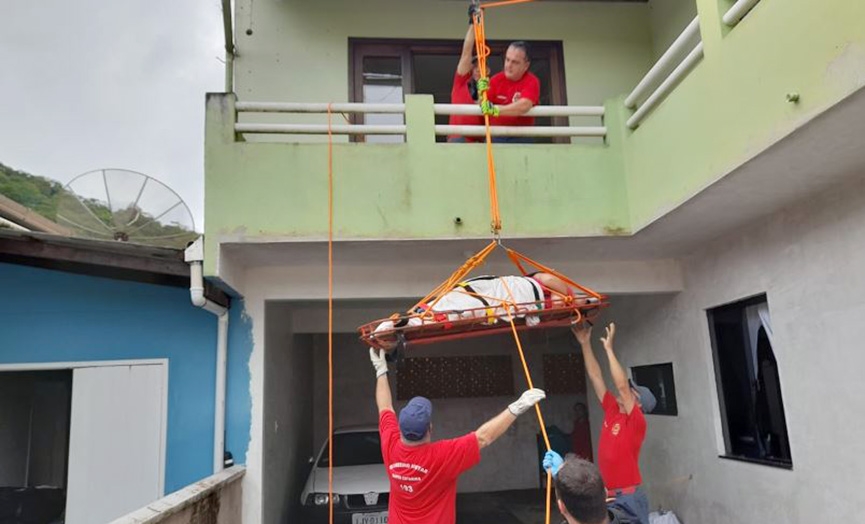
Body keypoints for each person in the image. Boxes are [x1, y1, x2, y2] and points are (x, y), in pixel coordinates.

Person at [369, 348, 546, 524]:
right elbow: (483, 438)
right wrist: (517, 408)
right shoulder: (442, 456)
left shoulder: (390, 445)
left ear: (399, 428)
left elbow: (384, 407)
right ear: (430, 428)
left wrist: (381, 371)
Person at [370, 273, 598, 348]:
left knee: (440, 313)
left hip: (493, 297)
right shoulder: (545, 283)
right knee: (441, 312)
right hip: (495, 295)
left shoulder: (552, 297)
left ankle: (393, 329)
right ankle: (393, 330)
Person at [572, 323, 656, 524]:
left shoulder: (636, 422)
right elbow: (595, 377)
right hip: (609, 497)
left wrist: (609, 349)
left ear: (638, 403)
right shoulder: (612, 410)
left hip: (628, 499)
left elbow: (621, 386)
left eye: (630, 391)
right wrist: (585, 343)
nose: (624, 389)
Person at [543, 450, 641, 524]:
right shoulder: (626, 518)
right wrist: (563, 471)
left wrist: (561, 473)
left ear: (561, 507)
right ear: (606, 494)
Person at [481, 41, 541, 143]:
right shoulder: (495, 80)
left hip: (522, 137)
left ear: (526, 65)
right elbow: (483, 104)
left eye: (515, 62)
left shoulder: (532, 81)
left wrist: (496, 110)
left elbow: (524, 105)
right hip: (495, 136)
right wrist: (480, 92)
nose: (508, 65)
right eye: (507, 60)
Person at [447, 7, 483, 143]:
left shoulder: (487, 88)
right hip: (458, 139)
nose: (478, 68)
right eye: (474, 65)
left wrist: (482, 87)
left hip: (478, 142)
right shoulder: (461, 81)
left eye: (482, 66)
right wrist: (473, 23)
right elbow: (467, 51)